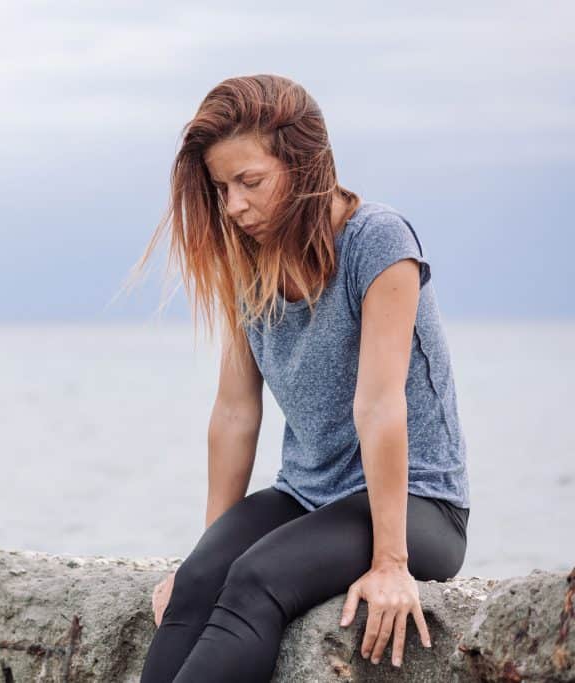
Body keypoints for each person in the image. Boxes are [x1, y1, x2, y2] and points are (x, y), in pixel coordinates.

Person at [123, 74, 471, 682]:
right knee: (200, 584)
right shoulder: (245, 262)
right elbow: (234, 413)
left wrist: (391, 561)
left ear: (305, 165)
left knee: (259, 580)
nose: (233, 206)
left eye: (249, 182)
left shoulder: (379, 241)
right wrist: (209, 554)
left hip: (418, 504)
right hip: (308, 497)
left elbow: (380, 406)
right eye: (222, 188)